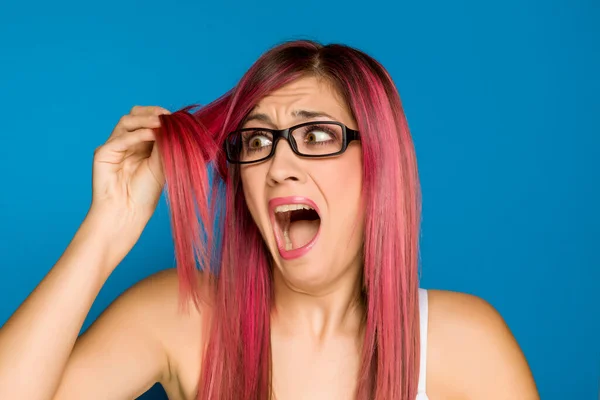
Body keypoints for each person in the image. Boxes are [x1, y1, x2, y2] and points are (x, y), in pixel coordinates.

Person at [0, 40, 539, 400]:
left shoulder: (465, 342)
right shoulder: (178, 316)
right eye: (257, 141)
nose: (280, 167)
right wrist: (109, 226)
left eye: (317, 136)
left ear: (379, 164)